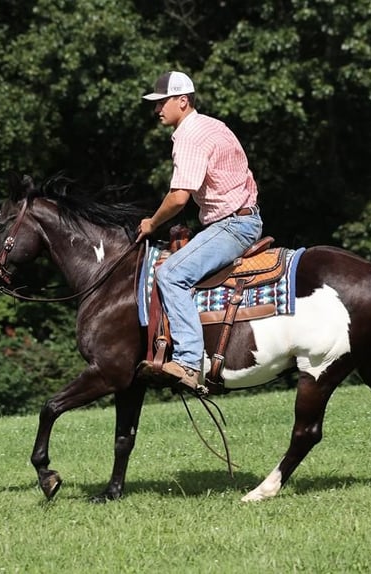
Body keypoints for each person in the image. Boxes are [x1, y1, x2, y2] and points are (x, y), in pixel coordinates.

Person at [136, 71, 263, 394]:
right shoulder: (214, 125)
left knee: (171, 275)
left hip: (232, 225)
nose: (158, 109)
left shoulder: (189, 136)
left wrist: (152, 222)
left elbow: (179, 196)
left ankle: (189, 362)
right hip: (243, 217)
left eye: (163, 102)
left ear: (183, 100)